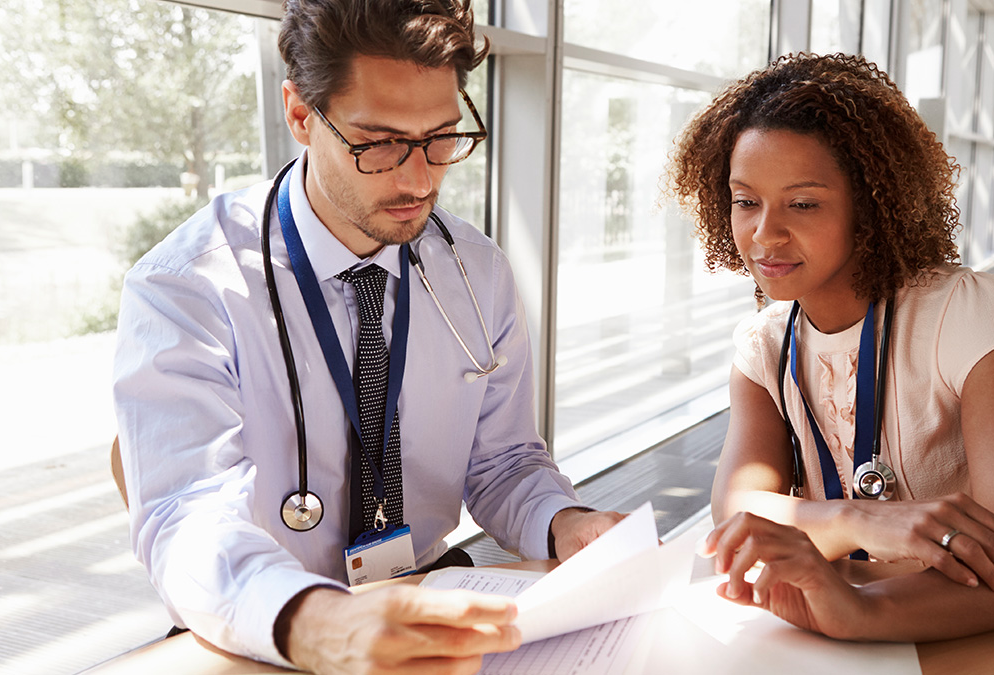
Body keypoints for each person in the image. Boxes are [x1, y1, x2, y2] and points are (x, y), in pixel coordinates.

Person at [112, 0, 622, 671]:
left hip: (423, 601)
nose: (419, 178)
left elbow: (502, 462)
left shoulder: (477, 272)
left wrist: (566, 521)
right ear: (300, 115)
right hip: (272, 628)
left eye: (441, 137)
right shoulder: (188, 288)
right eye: (378, 142)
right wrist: (322, 622)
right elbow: (188, 517)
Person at [664, 53, 994, 642]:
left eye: (804, 203)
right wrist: (857, 518)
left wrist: (863, 612)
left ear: (870, 203)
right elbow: (739, 521)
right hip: (849, 637)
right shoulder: (764, 347)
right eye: (746, 201)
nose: (765, 233)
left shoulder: (970, 317)